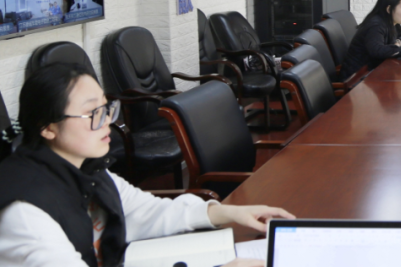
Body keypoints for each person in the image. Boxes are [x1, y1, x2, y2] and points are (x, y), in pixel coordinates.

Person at [0, 63, 293, 267]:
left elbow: (147, 211)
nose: (108, 121)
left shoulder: (87, 169)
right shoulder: (25, 211)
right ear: (47, 127)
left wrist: (230, 212)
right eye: (93, 113)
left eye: (106, 108)